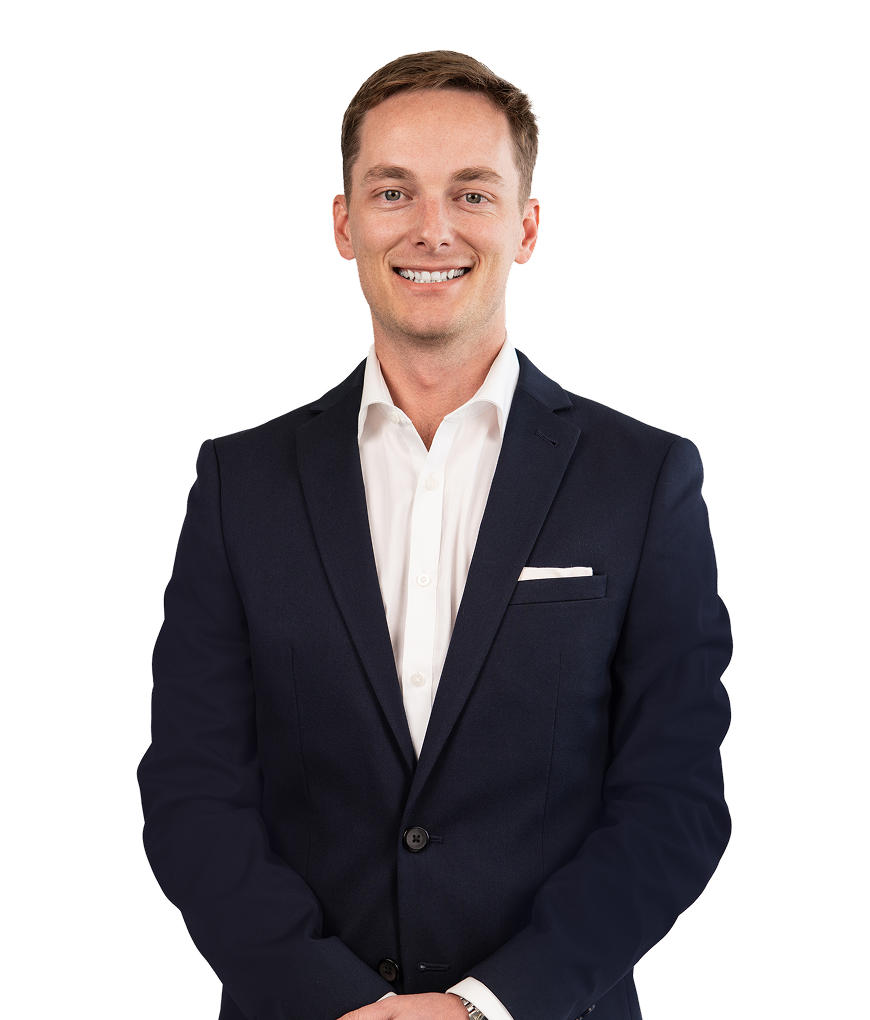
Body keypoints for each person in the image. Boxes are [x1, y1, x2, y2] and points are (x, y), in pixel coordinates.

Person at [137, 49, 732, 1020]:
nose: (432, 228)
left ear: (525, 226)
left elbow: (676, 802)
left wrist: (485, 1006)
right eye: (393, 191)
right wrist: (334, 1003)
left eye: (472, 193)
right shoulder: (238, 482)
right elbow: (191, 789)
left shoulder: (646, 478)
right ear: (344, 224)